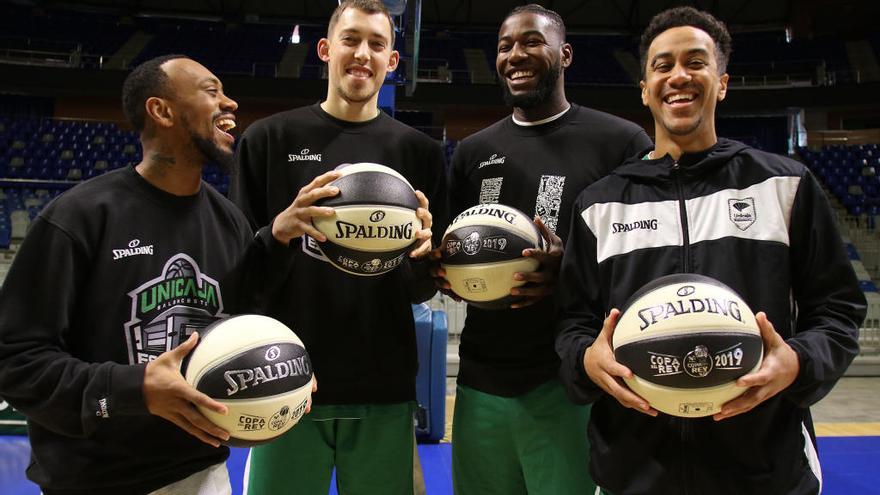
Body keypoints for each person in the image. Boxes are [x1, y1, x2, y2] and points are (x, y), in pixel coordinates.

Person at [555, 7, 865, 495]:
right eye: (663, 65)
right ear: (645, 89)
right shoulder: (600, 205)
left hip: (766, 471)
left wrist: (800, 362)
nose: (679, 75)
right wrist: (586, 360)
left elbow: (838, 310)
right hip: (633, 472)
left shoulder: (784, 186)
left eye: (695, 62)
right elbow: (573, 322)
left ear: (721, 82)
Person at [0, 54, 331, 495]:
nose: (230, 103)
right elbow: (16, 361)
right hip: (96, 481)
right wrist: (133, 388)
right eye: (212, 91)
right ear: (161, 110)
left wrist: (284, 366)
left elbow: (245, 319)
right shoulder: (79, 218)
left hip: (202, 474)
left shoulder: (229, 221)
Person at [434, 5, 651, 494]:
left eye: (532, 41)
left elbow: (641, 260)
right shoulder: (471, 153)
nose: (516, 55)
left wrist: (568, 268)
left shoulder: (619, 142)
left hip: (569, 383)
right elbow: (452, 253)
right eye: (505, 45)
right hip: (481, 380)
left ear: (564, 54)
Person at [230, 1, 446, 494]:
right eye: (351, 40)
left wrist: (421, 257)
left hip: (383, 386)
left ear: (392, 61)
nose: (362, 54)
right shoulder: (268, 139)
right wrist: (280, 231)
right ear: (326, 50)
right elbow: (240, 277)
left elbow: (418, 289)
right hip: (284, 381)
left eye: (377, 43)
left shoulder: (420, 153)